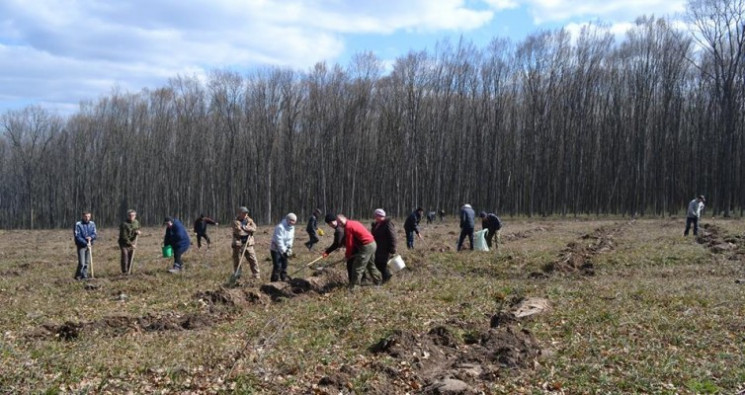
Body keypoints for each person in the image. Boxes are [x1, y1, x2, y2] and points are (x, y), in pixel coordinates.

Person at [335, 214, 381, 289]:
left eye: (340, 221)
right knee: (370, 265)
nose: (340, 223)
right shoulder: (353, 222)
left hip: (366, 246)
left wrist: (347, 256)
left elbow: (349, 244)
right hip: (372, 243)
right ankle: (378, 280)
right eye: (338, 222)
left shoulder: (348, 227)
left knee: (357, 267)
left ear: (345, 218)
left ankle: (354, 288)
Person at [232, 206, 260, 279]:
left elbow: (254, 228)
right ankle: (238, 276)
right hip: (238, 244)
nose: (245, 215)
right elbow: (239, 232)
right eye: (244, 213)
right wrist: (248, 230)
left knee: (253, 260)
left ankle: (256, 276)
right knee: (237, 261)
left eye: (246, 213)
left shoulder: (250, 221)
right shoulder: (235, 222)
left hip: (248, 244)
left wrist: (244, 228)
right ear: (239, 213)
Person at [371, 209, 397, 283]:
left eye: (376, 215)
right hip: (378, 248)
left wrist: (393, 248)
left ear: (380, 216)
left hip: (385, 248)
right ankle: (386, 276)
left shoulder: (387, 224)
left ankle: (386, 278)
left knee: (382, 264)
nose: (375, 217)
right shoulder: (376, 224)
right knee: (377, 263)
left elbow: (392, 237)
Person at [270, 213, 296, 282]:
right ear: (287, 219)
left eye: (294, 221)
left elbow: (291, 239)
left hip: (284, 248)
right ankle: (274, 282)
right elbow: (279, 240)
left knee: (284, 265)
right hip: (275, 249)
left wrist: (289, 248)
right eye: (292, 220)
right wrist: (283, 251)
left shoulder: (292, 228)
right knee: (278, 266)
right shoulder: (280, 227)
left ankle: (283, 279)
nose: (293, 222)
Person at [73, 211, 97, 280]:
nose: (87, 218)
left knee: (87, 263)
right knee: (82, 263)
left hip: (89, 245)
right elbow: (77, 236)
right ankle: (78, 276)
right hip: (81, 246)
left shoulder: (92, 224)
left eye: (89, 216)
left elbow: (94, 234)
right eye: (86, 216)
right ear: (83, 216)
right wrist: (85, 242)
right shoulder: (78, 224)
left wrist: (91, 237)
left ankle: (84, 276)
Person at [118, 209, 141, 274]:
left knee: (131, 256)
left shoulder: (136, 222)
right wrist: (131, 244)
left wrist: (138, 231)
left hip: (132, 241)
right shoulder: (124, 224)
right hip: (124, 243)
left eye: (133, 215)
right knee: (125, 257)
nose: (131, 217)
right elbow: (124, 237)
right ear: (127, 216)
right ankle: (125, 272)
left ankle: (130, 270)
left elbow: (138, 228)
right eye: (130, 215)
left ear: (135, 216)